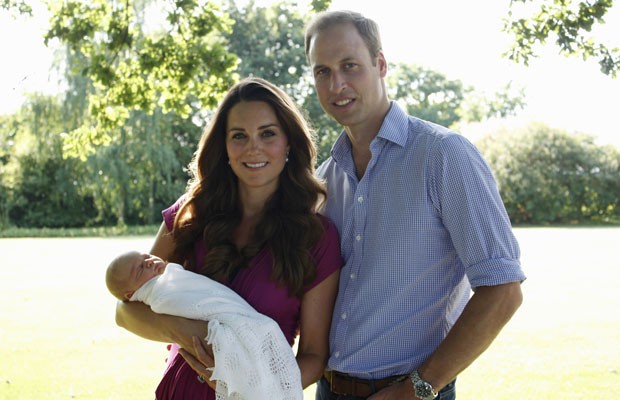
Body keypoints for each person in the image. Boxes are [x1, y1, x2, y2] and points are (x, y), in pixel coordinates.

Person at [304, 10, 527, 400]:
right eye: (322, 71)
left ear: (381, 64)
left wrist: (419, 388)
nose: (336, 84)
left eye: (350, 66)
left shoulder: (443, 155)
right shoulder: (325, 178)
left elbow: (503, 289)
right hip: (329, 389)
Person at [114, 77, 343, 400]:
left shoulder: (317, 238)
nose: (253, 148)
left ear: (288, 143)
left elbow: (314, 356)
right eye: (239, 136)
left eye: (268, 134)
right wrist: (183, 330)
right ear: (223, 146)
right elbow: (125, 313)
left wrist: (254, 387)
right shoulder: (191, 214)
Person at [105, 250, 303, 399]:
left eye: (146, 256)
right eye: (140, 268)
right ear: (132, 294)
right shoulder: (159, 294)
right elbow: (123, 312)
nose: (148, 262)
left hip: (247, 329)